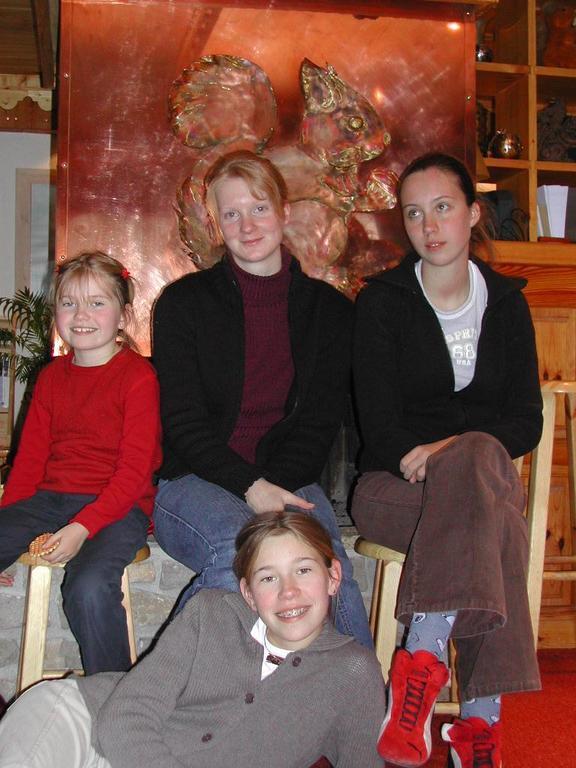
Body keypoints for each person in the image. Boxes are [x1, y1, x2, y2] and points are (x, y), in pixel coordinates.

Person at [351, 152, 543, 768]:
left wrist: (450, 450)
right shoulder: (382, 303)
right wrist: (445, 455)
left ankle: (421, 672)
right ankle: (479, 722)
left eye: (442, 207)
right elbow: (377, 426)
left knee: (480, 472)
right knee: (494, 517)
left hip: (471, 488)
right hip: (393, 489)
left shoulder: (506, 304)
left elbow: (527, 421)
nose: (429, 226)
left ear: (473, 213)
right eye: (414, 213)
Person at [152, 149, 372, 647]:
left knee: (328, 566)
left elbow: (318, 424)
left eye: (258, 208)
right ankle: (162, 688)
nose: (247, 225)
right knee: (238, 553)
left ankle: (361, 691)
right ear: (216, 223)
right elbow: (182, 423)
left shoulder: (330, 313)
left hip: (289, 480)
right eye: (231, 213)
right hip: (193, 481)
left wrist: (274, 494)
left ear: (283, 211)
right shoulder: (183, 304)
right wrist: (251, 489)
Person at [0, 511, 386, 768]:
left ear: (333, 577)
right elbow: (124, 717)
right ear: (249, 594)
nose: (288, 591)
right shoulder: (211, 613)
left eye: (303, 570)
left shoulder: (353, 673)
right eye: (268, 577)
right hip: (83, 722)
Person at [0, 252, 161, 674]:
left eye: (97, 303)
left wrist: (82, 527)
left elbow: (134, 474)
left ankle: (112, 694)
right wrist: (8, 533)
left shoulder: (138, 378)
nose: (81, 315)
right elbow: (29, 461)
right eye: (68, 303)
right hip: (49, 499)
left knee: (87, 588)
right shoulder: (51, 377)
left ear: (123, 314)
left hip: (118, 507)